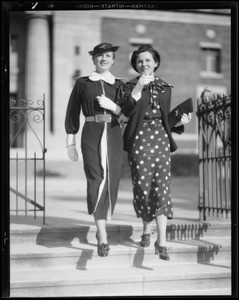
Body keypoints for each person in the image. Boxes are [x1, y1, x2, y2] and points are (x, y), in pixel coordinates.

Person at [121, 45, 192, 260]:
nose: (144, 64)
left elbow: (164, 118)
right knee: (143, 187)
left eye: (148, 60)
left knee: (162, 188)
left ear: (156, 62)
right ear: (135, 64)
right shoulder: (128, 86)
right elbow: (125, 111)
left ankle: (162, 241)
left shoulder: (165, 87)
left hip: (160, 139)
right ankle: (146, 229)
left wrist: (178, 121)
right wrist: (137, 89)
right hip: (139, 139)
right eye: (140, 61)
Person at [65, 43, 125, 257]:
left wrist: (114, 107)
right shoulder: (83, 83)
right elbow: (72, 112)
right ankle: (102, 234)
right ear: (93, 59)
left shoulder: (119, 84)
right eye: (99, 56)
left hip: (114, 134)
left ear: (113, 60)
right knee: (96, 179)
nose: (104, 59)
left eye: (108, 56)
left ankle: (101, 229)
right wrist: (70, 142)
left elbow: (127, 114)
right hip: (91, 132)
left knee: (110, 180)